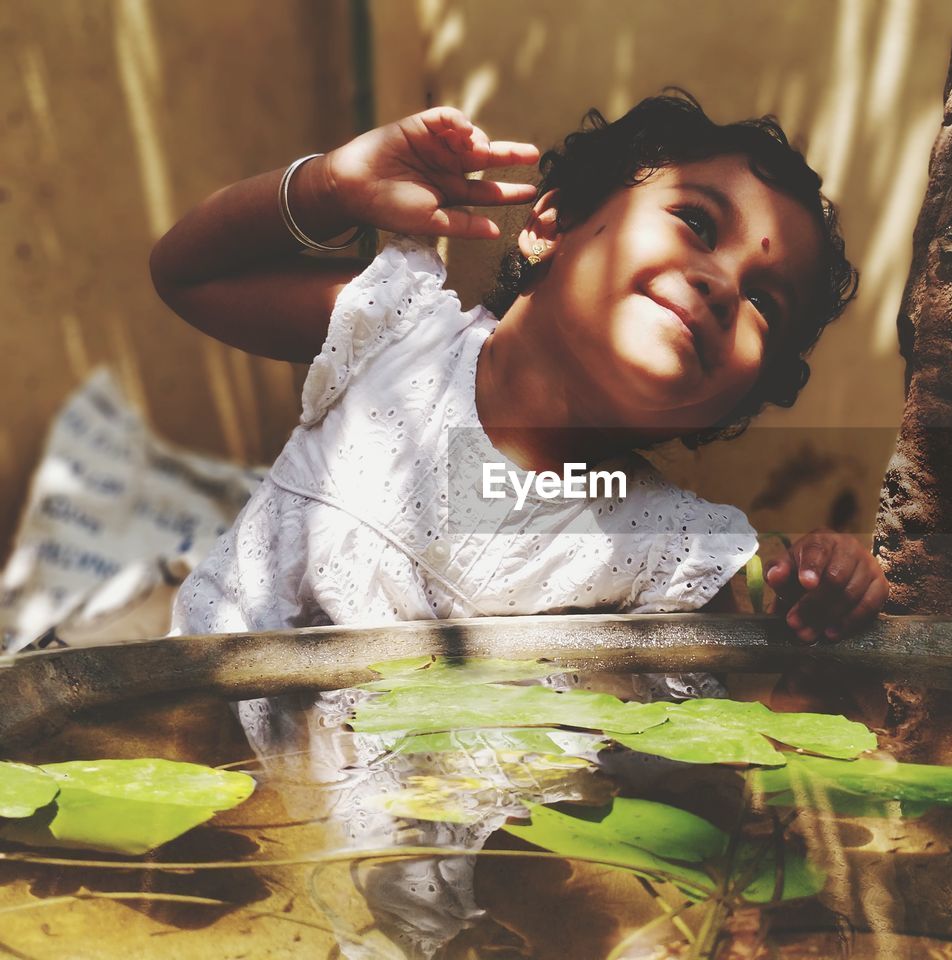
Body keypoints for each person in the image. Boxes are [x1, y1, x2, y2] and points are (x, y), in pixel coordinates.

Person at [152, 92, 889, 956]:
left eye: (766, 300)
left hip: (431, 925)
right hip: (195, 830)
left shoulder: (674, 544)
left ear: (743, 393)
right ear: (554, 220)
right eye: (695, 222)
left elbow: (793, 654)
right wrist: (329, 185)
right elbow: (188, 275)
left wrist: (836, 572)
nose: (723, 283)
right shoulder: (396, 337)